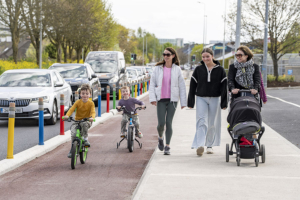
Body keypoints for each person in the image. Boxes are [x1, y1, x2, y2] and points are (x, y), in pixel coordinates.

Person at [187, 48, 228, 156]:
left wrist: (224, 103)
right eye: (203, 57)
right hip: (201, 98)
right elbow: (192, 86)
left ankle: (210, 145)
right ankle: (200, 145)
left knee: (212, 123)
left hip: (215, 98)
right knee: (201, 121)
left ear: (212, 56)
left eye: (207, 56)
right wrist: (190, 102)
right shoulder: (198, 69)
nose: (205, 59)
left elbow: (224, 87)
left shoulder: (220, 70)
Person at [149, 47, 187, 155]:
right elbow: (152, 84)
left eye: (168, 54)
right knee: (161, 123)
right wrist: (152, 98)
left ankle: (167, 146)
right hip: (160, 99)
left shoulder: (177, 69)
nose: (165, 56)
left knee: (169, 122)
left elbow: (182, 86)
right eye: (164, 54)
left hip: (173, 100)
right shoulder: (157, 68)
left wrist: (183, 102)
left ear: (173, 56)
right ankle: (160, 137)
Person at [64, 84, 96, 158]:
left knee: (84, 124)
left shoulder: (91, 103)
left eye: (87, 94)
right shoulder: (78, 102)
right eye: (83, 93)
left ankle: (85, 139)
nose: (85, 95)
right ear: (80, 94)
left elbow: (93, 112)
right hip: (77, 121)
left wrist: (92, 117)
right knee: (73, 134)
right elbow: (72, 109)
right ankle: (72, 149)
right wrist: (67, 115)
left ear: (90, 94)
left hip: (87, 120)